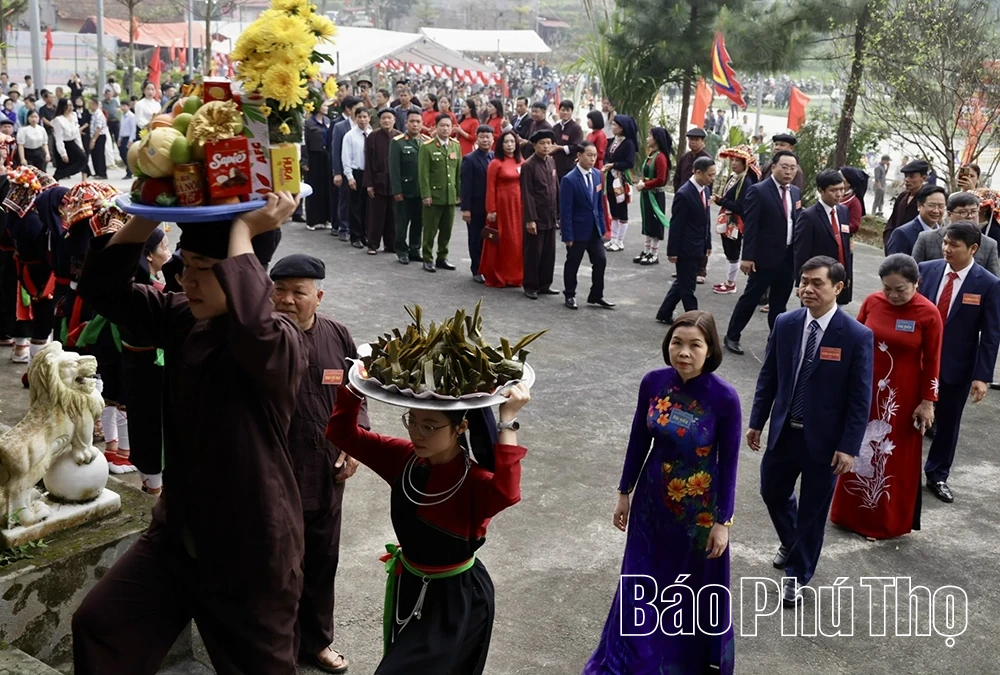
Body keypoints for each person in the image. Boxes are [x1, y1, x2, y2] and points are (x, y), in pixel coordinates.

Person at [72, 193, 308, 675]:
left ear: (248, 277)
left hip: (249, 553)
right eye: (186, 265)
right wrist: (145, 215)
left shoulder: (282, 342)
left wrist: (244, 231)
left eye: (205, 268)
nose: (186, 279)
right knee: (102, 624)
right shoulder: (184, 317)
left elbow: (255, 331)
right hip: (177, 537)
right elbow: (102, 289)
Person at [326, 378, 531, 675]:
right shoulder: (404, 458)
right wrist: (356, 387)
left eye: (430, 426)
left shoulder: (474, 481)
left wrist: (508, 420)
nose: (417, 433)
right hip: (409, 584)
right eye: (412, 421)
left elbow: (507, 492)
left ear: (460, 427)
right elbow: (341, 433)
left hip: (457, 600)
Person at [583, 310, 740, 675]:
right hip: (650, 507)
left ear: (710, 349)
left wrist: (723, 522)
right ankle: (635, 661)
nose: (684, 352)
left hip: (697, 516)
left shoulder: (724, 398)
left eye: (694, 345)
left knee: (683, 591)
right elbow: (639, 438)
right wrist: (624, 491)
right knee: (640, 583)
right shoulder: (653, 383)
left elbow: (730, 464)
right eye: (677, 343)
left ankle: (679, 664)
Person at [749, 256, 873, 606]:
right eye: (803, 281)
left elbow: (859, 398)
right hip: (784, 431)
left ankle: (797, 575)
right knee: (772, 491)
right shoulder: (786, 323)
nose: (807, 289)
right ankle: (792, 541)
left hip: (827, 442)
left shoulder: (855, 336)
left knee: (813, 511)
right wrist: (757, 421)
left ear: (838, 287)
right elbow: (769, 376)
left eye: (817, 283)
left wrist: (849, 447)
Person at [270, 254, 366, 675]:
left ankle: (317, 643)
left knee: (322, 562)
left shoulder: (337, 336)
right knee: (278, 568)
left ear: (318, 297)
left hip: (326, 474)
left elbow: (355, 394)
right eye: (280, 290)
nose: (287, 300)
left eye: (298, 292)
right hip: (276, 475)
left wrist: (355, 443)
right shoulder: (262, 341)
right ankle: (279, 649)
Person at [829, 254, 942, 539]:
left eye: (900, 289)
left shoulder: (928, 314)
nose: (892, 295)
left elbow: (932, 361)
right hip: (865, 389)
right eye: (887, 288)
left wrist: (928, 402)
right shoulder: (872, 302)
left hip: (902, 399)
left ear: (917, 283)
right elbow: (854, 339)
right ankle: (847, 514)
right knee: (856, 446)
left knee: (890, 457)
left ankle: (882, 523)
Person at [917, 222, 1000, 503]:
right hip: (918, 360)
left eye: (954, 245)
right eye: (945, 243)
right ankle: (900, 470)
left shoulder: (988, 284)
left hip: (957, 365)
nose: (946, 249)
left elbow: (991, 333)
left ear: (973, 249)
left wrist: (982, 375)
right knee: (907, 416)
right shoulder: (926, 270)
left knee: (948, 423)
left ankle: (937, 475)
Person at [723, 150, 802, 355]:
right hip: (763, 257)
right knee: (751, 298)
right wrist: (747, 257)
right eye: (784, 167)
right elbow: (751, 225)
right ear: (774, 167)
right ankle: (732, 335)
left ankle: (774, 340)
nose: (788, 171)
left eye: (792, 168)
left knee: (779, 303)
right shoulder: (759, 190)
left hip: (787, 257)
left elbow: (795, 221)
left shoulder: (795, 192)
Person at [119, 228, 172, 495]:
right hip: (152, 373)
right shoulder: (154, 295)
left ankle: (150, 483)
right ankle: (154, 490)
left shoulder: (132, 288)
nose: (169, 251)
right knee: (154, 428)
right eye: (164, 246)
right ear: (149, 256)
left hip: (134, 369)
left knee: (141, 422)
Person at [656, 157, 715, 323]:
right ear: (698, 173)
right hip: (685, 248)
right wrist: (672, 251)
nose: (712, 178)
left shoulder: (705, 190)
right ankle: (696, 320)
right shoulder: (684, 194)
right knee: (688, 287)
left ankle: (664, 312)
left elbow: (706, 220)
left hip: (699, 245)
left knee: (682, 282)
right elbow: (676, 225)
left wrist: (707, 243)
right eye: (710, 175)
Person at [561, 141, 614, 310]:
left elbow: (599, 204)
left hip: (594, 229)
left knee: (600, 260)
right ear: (579, 155)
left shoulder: (598, 175)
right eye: (589, 155)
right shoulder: (569, 180)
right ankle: (570, 294)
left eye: (595, 155)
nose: (593, 159)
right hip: (577, 229)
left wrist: (603, 225)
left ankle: (596, 295)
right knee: (573, 263)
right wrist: (567, 235)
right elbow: (565, 210)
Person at [792, 169, 854, 304]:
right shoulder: (809, 216)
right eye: (833, 190)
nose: (839, 194)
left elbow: (844, 244)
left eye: (842, 189)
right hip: (818, 279)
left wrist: (847, 274)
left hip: (839, 275)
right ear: (821, 190)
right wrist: (800, 282)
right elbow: (801, 251)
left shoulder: (843, 211)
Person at [711, 145, 760, 295]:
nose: (733, 163)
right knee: (728, 249)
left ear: (745, 163)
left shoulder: (746, 182)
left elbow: (741, 207)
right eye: (732, 160)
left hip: (736, 221)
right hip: (728, 218)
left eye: (737, 161)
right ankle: (728, 280)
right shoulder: (734, 177)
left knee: (733, 250)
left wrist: (721, 201)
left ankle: (731, 283)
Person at [912, 191, 999, 275]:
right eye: (963, 212)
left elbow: (994, 282)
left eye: (973, 211)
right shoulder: (926, 238)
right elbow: (913, 274)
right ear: (949, 214)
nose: (970, 216)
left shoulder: (989, 244)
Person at [417, 113, 462, 273]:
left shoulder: (455, 145)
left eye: (448, 126)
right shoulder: (427, 146)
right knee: (430, 230)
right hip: (434, 196)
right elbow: (423, 173)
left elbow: (457, 172)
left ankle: (442, 257)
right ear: (436, 128)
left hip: (449, 196)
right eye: (442, 125)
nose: (445, 129)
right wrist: (426, 194)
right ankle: (428, 258)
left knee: (447, 230)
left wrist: (458, 192)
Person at [480, 129, 523, 288]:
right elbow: (490, 188)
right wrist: (491, 210)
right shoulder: (495, 163)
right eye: (506, 142)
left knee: (516, 241)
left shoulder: (521, 161)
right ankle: (498, 275)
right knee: (501, 240)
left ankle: (515, 274)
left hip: (518, 206)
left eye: (512, 141)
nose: (510, 145)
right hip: (501, 206)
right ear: (500, 144)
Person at [521, 129, 559, 300]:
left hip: (550, 215)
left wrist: (558, 212)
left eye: (548, 143)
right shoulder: (528, 165)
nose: (546, 146)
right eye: (542, 143)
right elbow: (527, 194)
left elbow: (556, 187)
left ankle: (545, 284)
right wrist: (530, 219)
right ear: (535, 145)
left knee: (549, 252)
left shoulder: (551, 161)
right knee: (533, 252)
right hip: (536, 216)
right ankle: (530, 285)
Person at [389, 110, 426, 265]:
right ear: (406, 123)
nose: (415, 124)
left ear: (422, 123)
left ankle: (414, 249)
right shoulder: (398, 142)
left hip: (421, 190)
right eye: (412, 121)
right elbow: (394, 168)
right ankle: (401, 250)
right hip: (405, 189)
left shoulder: (426, 142)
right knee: (402, 223)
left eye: (418, 121)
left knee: (419, 222)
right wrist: (397, 190)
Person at [459, 125, 494, 283]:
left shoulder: (495, 157)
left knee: (490, 238)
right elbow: (466, 186)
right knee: (476, 238)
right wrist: (466, 209)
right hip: (476, 207)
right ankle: (477, 269)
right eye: (482, 137)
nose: (485, 140)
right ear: (477, 138)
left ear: (493, 139)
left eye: (488, 137)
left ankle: (489, 268)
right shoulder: (469, 159)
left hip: (491, 208)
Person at [633, 127, 672, 265]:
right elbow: (647, 173)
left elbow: (661, 179)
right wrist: (642, 181)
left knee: (655, 223)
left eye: (650, 136)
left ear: (656, 139)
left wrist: (645, 185)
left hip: (655, 195)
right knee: (648, 221)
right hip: (647, 194)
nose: (647, 138)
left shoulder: (661, 157)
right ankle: (646, 250)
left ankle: (654, 254)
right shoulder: (651, 154)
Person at [364, 108, 398, 255]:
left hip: (394, 183)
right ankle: (373, 244)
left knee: (393, 215)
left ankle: (391, 245)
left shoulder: (399, 137)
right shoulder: (372, 136)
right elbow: (368, 161)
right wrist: (369, 184)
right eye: (383, 118)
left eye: (389, 118)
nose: (386, 121)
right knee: (376, 215)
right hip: (377, 181)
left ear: (394, 120)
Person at [604, 114, 638, 252]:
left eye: (615, 125)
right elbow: (607, 156)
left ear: (622, 128)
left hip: (620, 180)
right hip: (611, 178)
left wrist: (614, 165)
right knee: (613, 206)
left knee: (621, 206)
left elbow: (629, 162)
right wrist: (608, 164)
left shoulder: (628, 143)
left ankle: (620, 241)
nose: (612, 127)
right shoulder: (613, 140)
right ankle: (613, 238)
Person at [330, 96, 362, 241]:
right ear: (349, 110)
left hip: (360, 169)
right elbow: (335, 151)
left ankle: (357, 228)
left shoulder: (366, 127)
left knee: (358, 201)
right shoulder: (340, 127)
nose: (360, 112)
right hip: (345, 169)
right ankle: (343, 227)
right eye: (356, 109)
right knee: (344, 198)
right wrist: (337, 172)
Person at [886, 184, 947, 257]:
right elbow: (894, 265)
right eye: (931, 205)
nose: (936, 211)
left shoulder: (945, 235)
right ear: (919, 206)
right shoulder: (902, 233)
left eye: (941, 206)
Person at [883, 159, 930, 252]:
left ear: (923, 178)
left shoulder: (927, 199)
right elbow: (892, 221)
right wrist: (888, 242)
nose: (907, 180)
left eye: (912, 177)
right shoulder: (903, 196)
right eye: (906, 176)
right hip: (895, 246)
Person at [342, 107, 372, 249]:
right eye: (359, 116)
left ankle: (365, 234)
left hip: (369, 173)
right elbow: (346, 156)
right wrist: (349, 176)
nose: (362, 119)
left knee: (367, 206)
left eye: (365, 116)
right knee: (355, 206)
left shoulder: (371, 134)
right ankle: (355, 236)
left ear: (369, 118)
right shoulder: (350, 135)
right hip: (356, 172)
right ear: (355, 118)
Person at [303, 101, 333, 230]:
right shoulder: (308, 123)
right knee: (313, 188)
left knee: (326, 188)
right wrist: (305, 161)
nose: (327, 108)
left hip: (326, 156)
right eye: (324, 105)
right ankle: (312, 220)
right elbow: (304, 143)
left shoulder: (328, 120)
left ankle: (325, 218)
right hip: (313, 157)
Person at [52, 98, 88, 180]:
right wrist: (63, 153)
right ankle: (56, 178)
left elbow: (77, 133)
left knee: (83, 158)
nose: (71, 107)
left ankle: (84, 181)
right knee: (62, 166)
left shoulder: (74, 115)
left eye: (71, 105)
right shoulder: (58, 120)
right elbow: (59, 138)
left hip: (72, 143)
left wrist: (80, 146)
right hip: (64, 144)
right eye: (68, 105)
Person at [551, 100, 583, 180]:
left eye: (568, 110)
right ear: (559, 111)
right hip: (555, 164)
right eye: (563, 110)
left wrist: (560, 148)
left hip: (569, 165)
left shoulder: (576, 128)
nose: (565, 113)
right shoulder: (555, 127)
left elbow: (577, 147)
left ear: (572, 112)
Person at [839, 166, 867, 233]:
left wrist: (836, 227)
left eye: (839, 178)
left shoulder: (854, 202)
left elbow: (854, 226)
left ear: (848, 183)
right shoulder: (832, 195)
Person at [86, 97, 108, 179]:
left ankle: (102, 173)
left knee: (99, 155)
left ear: (94, 104)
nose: (89, 106)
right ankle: (97, 172)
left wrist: (94, 139)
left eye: (90, 104)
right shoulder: (94, 113)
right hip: (94, 135)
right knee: (94, 154)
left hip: (99, 136)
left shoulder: (99, 114)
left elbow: (99, 128)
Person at [118, 100, 136, 178]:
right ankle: (130, 169)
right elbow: (121, 128)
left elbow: (133, 129)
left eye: (124, 106)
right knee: (122, 154)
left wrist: (130, 140)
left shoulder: (131, 116)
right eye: (122, 106)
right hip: (123, 137)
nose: (123, 108)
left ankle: (129, 172)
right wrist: (119, 139)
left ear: (128, 107)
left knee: (127, 155)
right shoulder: (123, 115)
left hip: (128, 137)